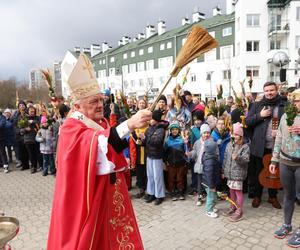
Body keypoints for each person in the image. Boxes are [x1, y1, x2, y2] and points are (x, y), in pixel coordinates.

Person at [47, 53, 151, 250]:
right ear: (77, 106)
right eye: (93, 101)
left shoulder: (99, 121)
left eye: (100, 100)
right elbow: (96, 144)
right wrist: (129, 124)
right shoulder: (70, 127)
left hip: (107, 193)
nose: (99, 105)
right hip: (85, 201)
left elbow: (110, 145)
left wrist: (130, 127)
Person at [246, 82, 287, 209]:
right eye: (267, 90)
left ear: (276, 90)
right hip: (259, 146)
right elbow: (247, 122)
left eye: (272, 90)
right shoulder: (257, 105)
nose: (269, 93)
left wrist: (280, 131)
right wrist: (260, 115)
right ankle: (257, 196)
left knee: (274, 172)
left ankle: (272, 197)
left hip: (277, 147)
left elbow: (290, 125)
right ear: (264, 92)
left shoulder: (284, 105)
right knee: (258, 172)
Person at [269, 89, 300, 247]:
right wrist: (274, 161)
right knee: (288, 196)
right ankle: (287, 225)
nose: (297, 104)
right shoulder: (285, 116)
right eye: (295, 101)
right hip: (285, 162)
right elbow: (279, 138)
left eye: (299, 101)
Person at [222, 123, 250, 222]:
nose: (234, 136)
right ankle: (232, 206)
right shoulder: (229, 145)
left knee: (238, 192)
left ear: (241, 136)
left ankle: (239, 210)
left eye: (236, 134)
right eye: (233, 134)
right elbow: (225, 158)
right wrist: (223, 171)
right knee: (231, 191)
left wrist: (237, 158)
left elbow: (246, 159)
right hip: (229, 173)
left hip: (238, 174)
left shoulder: (245, 147)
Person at [144, 110, 168, 206]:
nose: (150, 120)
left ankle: (159, 195)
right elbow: (147, 141)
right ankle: (151, 193)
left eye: (151, 119)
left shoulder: (161, 130)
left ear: (156, 120)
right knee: (150, 176)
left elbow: (157, 142)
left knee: (157, 176)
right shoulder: (149, 129)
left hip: (157, 156)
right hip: (149, 155)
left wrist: (147, 138)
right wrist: (142, 141)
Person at [188, 124, 216, 206]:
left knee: (209, 182)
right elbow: (194, 151)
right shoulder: (197, 142)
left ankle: (211, 197)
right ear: (201, 134)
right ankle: (199, 196)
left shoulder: (212, 142)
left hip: (209, 166)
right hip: (200, 164)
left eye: (208, 133)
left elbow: (216, 153)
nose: (206, 134)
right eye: (204, 133)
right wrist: (191, 154)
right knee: (199, 182)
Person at [129, 98, 148, 198]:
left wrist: (143, 139)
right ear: (137, 104)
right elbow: (132, 129)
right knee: (139, 170)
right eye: (140, 103)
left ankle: (148, 190)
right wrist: (137, 139)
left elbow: (149, 129)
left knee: (146, 170)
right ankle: (141, 189)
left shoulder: (148, 116)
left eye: (143, 103)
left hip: (146, 145)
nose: (141, 104)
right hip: (136, 145)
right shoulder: (134, 116)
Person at [164, 122, 187, 201]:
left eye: (176, 129)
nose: (174, 131)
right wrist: (165, 161)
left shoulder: (182, 140)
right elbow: (165, 153)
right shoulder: (167, 141)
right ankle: (172, 192)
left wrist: (185, 160)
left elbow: (185, 151)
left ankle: (181, 192)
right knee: (171, 178)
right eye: (173, 129)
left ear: (179, 130)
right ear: (170, 130)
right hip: (171, 163)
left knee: (180, 178)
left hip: (180, 163)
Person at [202, 140, 220, 218]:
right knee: (211, 197)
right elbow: (209, 175)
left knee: (214, 196)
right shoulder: (210, 161)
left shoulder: (209, 156)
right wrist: (212, 186)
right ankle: (209, 211)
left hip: (211, 182)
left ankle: (212, 207)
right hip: (209, 184)